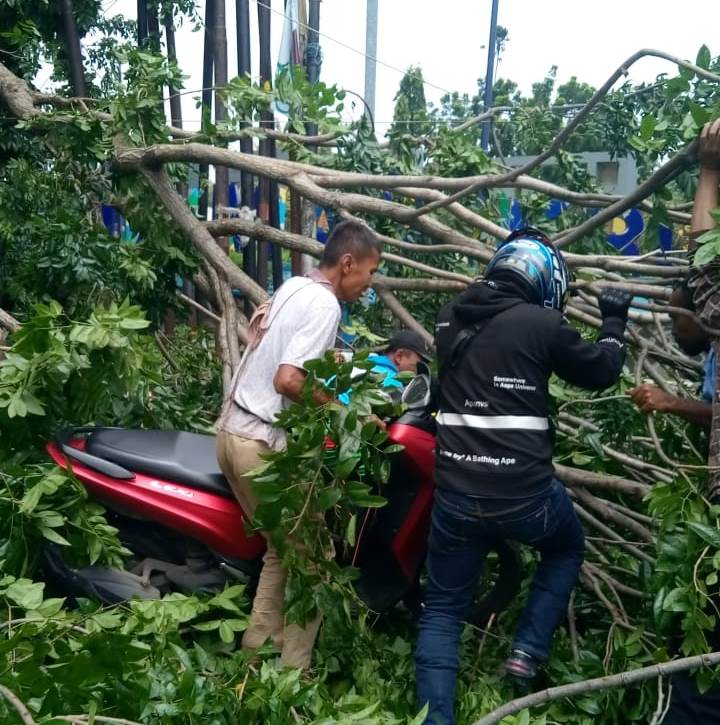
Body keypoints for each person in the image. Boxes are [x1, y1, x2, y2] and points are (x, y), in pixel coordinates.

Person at [415, 227, 632, 725]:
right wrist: (615, 322)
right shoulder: (542, 323)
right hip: (525, 497)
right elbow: (600, 371)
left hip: (457, 494)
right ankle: (527, 651)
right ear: (541, 278)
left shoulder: (449, 318)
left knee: (443, 610)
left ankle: (435, 720)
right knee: (566, 548)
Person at [215, 220, 381, 670]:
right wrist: (344, 413)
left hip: (231, 433)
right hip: (260, 445)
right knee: (318, 560)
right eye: (369, 272)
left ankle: (255, 658)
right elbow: (288, 379)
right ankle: (295, 675)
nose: (369, 284)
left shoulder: (292, 287)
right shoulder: (326, 304)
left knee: (282, 549)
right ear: (347, 264)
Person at [629, 279, 714, 428]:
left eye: (676, 318)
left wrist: (669, 401)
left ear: (702, 314)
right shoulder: (713, 357)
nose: (673, 331)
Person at [368, 328, 433, 392]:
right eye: (417, 365)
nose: (417, 372)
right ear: (399, 356)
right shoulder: (393, 385)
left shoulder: (363, 364)